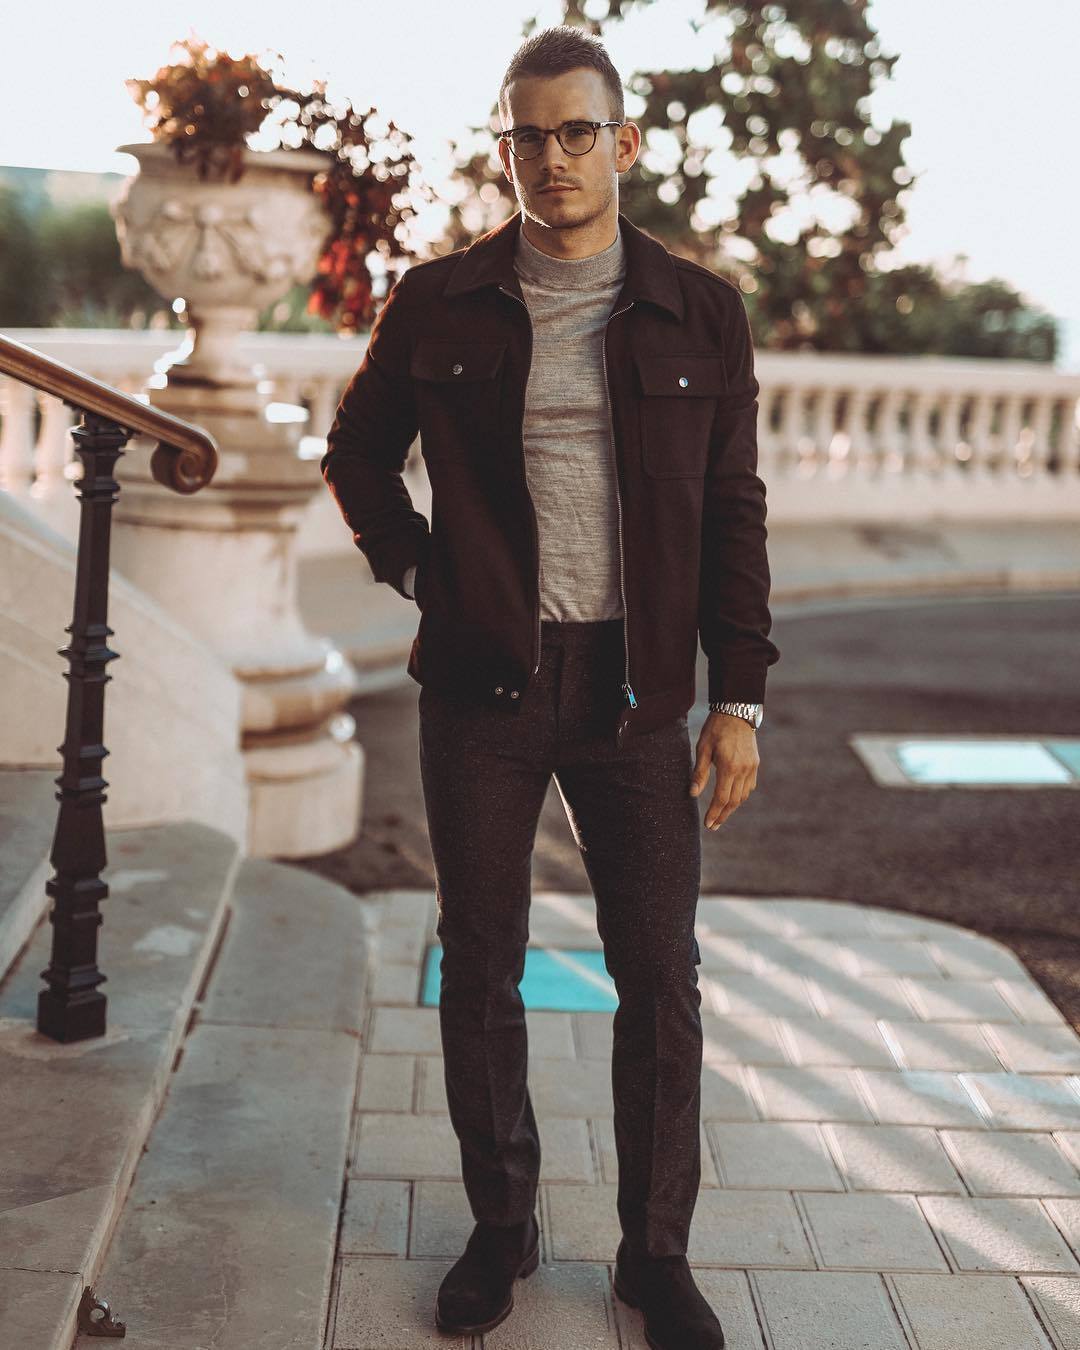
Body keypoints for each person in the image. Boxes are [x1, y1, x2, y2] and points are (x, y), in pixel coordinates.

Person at [321, 24, 780, 1350]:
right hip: (483, 679)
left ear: (623, 143)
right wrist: (423, 575)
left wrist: (738, 695)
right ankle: (502, 1227)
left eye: (578, 132)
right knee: (481, 969)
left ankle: (655, 1252)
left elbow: (734, 507)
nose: (552, 158)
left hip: (635, 686)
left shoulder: (700, 309)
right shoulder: (439, 299)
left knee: (661, 976)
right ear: (505, 148)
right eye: (527, 135)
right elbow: (357, 456)